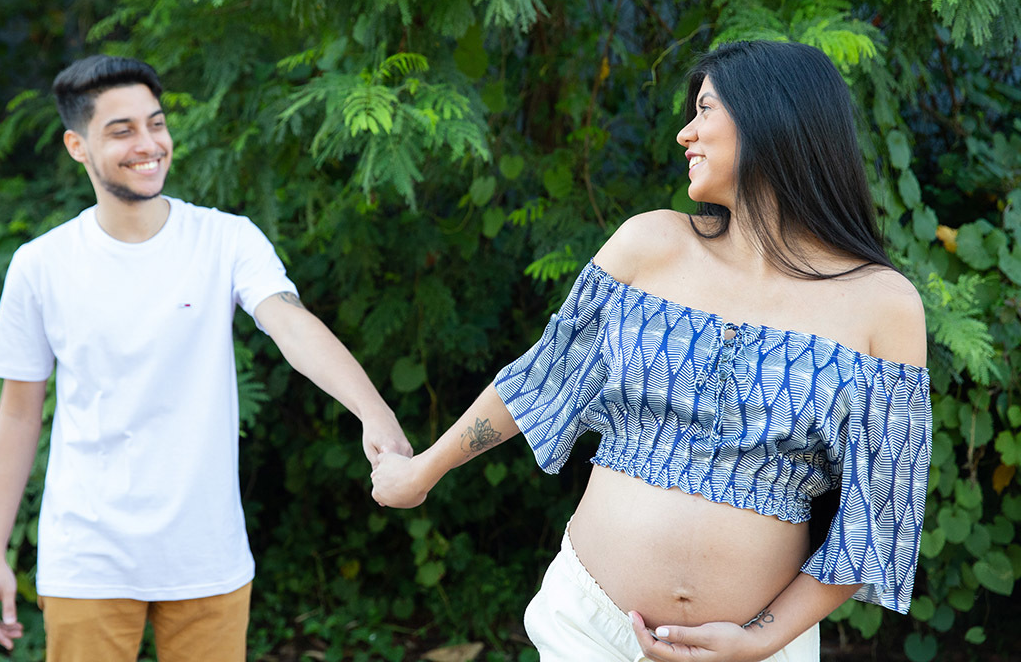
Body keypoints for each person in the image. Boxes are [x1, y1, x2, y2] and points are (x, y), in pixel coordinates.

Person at [371, 40, 931, 662]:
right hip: (590, 627)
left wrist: (759, 639)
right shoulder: (649, 245)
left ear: (773, 118)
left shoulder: (883, 305)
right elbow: (543, 379)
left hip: (758, 649)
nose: (685, 134)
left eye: (705, 109)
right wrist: (423, 471)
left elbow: (880, 516)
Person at [0, 55, 412, 661]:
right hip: (88, 560)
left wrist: (373, 411)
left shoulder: (226, 239)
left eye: (156, 124)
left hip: (207, 556)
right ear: (78, 146)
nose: (148, 144)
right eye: (122, 131)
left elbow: (290, 324)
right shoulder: (41, 264)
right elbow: (19, 415)